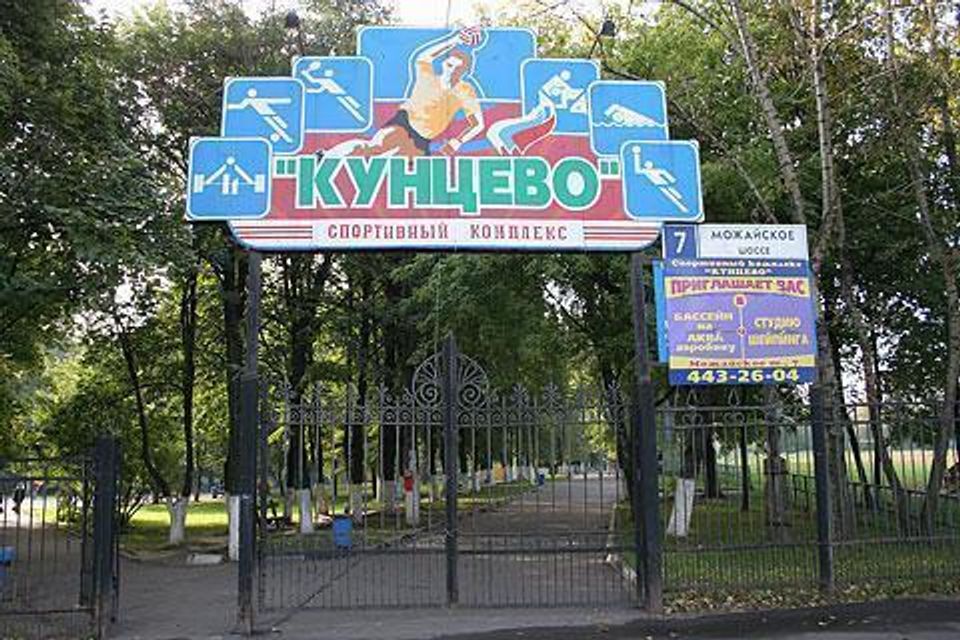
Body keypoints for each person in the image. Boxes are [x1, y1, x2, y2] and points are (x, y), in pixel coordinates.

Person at [328, 29, 485, 157]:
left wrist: (457, 142)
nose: (452, 71)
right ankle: (326, 157)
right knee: (376, 147)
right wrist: (455, 40)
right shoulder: (427, 76)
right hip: (405, 123)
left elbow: (478, 124)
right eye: (450, 65)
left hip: (424, 139)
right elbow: (424, 56)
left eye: (458, 69)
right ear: (444, 63)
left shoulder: (465, 91)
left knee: (408, 173)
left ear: (465, 71)